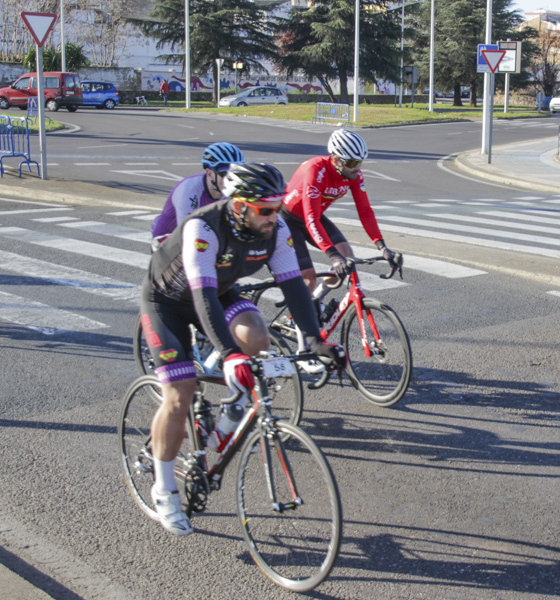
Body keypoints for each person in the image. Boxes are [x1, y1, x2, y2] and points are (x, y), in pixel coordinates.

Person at [138, 162, 344, 535]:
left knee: (258, 337)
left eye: (278, 206)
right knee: (180, 394)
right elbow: (201, 296)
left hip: (217, 294)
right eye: (265, 209)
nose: (275, 216)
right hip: (168, 302)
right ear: (238, 206)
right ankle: (164, 487)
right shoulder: (203, 227)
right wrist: (230, 355)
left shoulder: (275, 228)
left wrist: (315, 339)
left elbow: (293, 286)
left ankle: (229, 416)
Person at [280, 129, 399, 292]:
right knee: (309, 277)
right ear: (336, 160)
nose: (357, 168)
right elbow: (311, 219)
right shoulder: (315, 171)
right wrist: (333, 256)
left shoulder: (354, 175)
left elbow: (365, 211)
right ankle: (294, 317)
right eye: (352, 163)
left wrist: (382, 247)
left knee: (346, 256)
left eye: (360, 162)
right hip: (289, 220)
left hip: (313, 216)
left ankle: (317, 300)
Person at [150, 142, 245, 247]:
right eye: (225, 174)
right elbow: (188, 233)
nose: (232, 180)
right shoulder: (189, 189)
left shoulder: (232, 191)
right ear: (209, 173)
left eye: (236, 174)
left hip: (203, 238)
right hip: (169, 241)